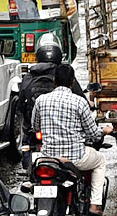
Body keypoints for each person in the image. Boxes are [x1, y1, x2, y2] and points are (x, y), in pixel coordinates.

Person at [31, 63, 113, 216]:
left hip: (49, 158)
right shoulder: (79, 102)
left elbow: (35, 127)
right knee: (100, 160)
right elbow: (93, 134)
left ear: (54, 80)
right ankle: (95, 205)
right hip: (75, 159)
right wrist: (104, 131)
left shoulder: (41, 100)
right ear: (73, 82)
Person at [18, 34, 85, 167]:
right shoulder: (63, 75)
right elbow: (81, 99)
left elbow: (21, 105)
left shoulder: (29, 77)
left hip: (34, 133)